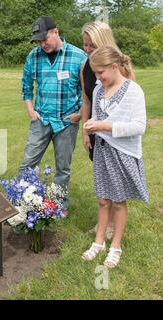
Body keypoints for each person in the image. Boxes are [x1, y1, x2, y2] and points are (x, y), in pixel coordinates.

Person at [81, 46, 148, 268]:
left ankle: (115, 246)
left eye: (101, 73)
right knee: (103, 199)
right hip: (102, 151)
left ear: (114, 66)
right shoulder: (100, 89)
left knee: (118, 202)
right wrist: (91, 127)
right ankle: (99, 241)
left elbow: (139, 126)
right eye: (96, 73)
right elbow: (97, 116)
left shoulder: (133, 90)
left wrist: (103, 125)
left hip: (122, 153)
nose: (98, 78)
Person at [19, 16, 87, 215]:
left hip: (67, 122)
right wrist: (30, 110)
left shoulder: (79, 56)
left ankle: (58, 205)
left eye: (45, 39)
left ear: (56, 32)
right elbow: (26, 85)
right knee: (28, 163)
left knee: (62, 168)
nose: (42, 44)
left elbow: (87, 90)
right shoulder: (33, 56)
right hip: (41, 120)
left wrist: (79, 115)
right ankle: (23, 203)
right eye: (39, 41)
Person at [80, 21, 131, 239]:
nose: (88, 50)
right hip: (96, 134)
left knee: (114, 179)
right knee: (102, 178)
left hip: (116, 133)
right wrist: (85, 131)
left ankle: (112, 224)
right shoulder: (85, 67)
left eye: (92, 45)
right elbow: (86, 100)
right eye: (85, 45)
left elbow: (129, 101)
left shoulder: (120, 66)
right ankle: (105, 221)